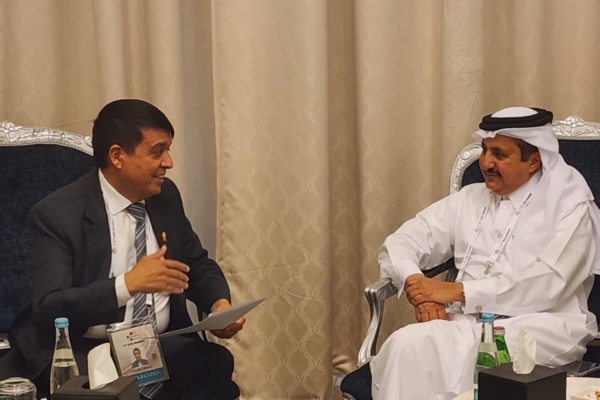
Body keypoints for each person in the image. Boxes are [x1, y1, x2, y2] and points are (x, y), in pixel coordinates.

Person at [0, 99, 243, 400]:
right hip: (86, 349)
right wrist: (126, 285)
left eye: (168, 150)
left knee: (215, 364)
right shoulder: (58, 215)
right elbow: (50, 306)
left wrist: (219, 304)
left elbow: (196, 263)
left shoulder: (164, 196)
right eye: (157, 152)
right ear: (117, 156)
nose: (168, 162)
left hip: (156, 345)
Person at [370, 107, 600, 400]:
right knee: (406, 344)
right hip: (465, 321)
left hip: (541, 325)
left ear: (534, 161)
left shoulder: (570, 205)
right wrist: (418, 286)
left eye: (499, 154)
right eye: (484, 150)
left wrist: (455, 292)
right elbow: (401, 241)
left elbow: (551, 281)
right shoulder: (469, 198)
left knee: (473, 355)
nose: (486, 163)